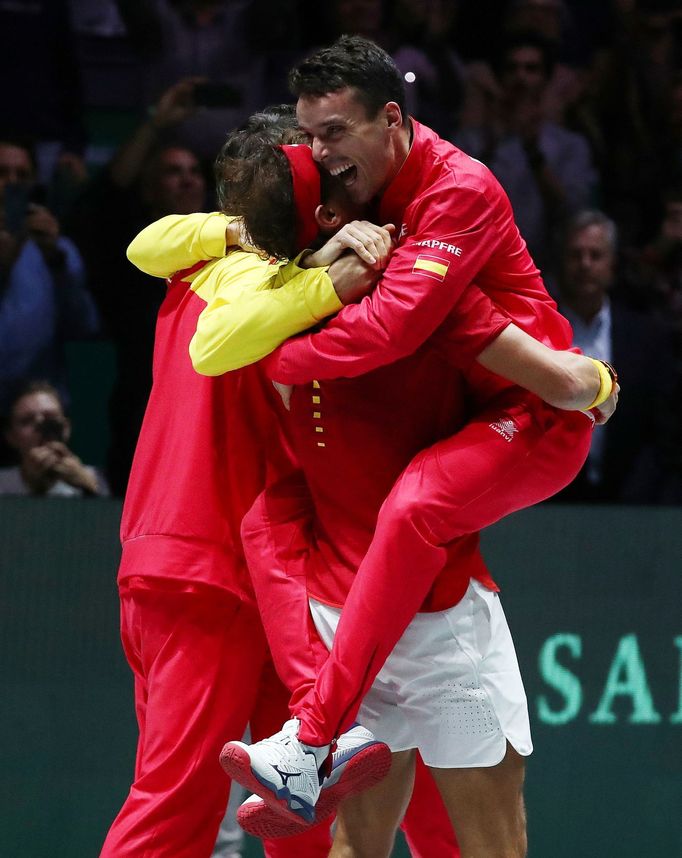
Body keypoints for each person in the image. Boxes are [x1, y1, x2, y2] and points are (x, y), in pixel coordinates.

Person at [208, 36, 618, 858]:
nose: (319, 154)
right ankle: (315, 728)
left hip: (529, 415)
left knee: (420, 497)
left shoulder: (455, 188)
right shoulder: (335, 213)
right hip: (365, 590)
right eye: (309, 138)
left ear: (392, 119)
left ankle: (310, 734)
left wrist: (282, 346)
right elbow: (180, 251)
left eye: (334, 133)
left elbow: (392, 329)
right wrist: (303, 283)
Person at [100, 105, 459, 858]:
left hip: (220, 577)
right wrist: (334, 277)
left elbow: (148, 242)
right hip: (209, 572)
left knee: (301, 811)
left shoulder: (200, 259)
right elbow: (218, 337)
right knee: (175, 805)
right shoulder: (255, 280)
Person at [553, 209, 672, 503]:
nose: (585, 264)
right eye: (575, 255)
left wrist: (635, 499)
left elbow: (662, 433)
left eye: (596, 255)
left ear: (613, 264)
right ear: (561, 262)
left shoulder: (646, 337)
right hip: (550, 501)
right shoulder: (538, 332)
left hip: (632, 504)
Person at [0, 139, 100, 415]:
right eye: (2, 173)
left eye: (22, 175)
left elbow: (84, 325)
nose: (12, 182)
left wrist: (56, 261)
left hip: (36, 410)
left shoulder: (55, 249)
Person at [0, 380, 107, 496]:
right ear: (10, 436)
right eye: (27, 421)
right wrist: (31, 486)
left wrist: (89, 487)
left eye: (50, 417)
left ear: (67, 427)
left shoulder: (99, 479)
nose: (41, 425)